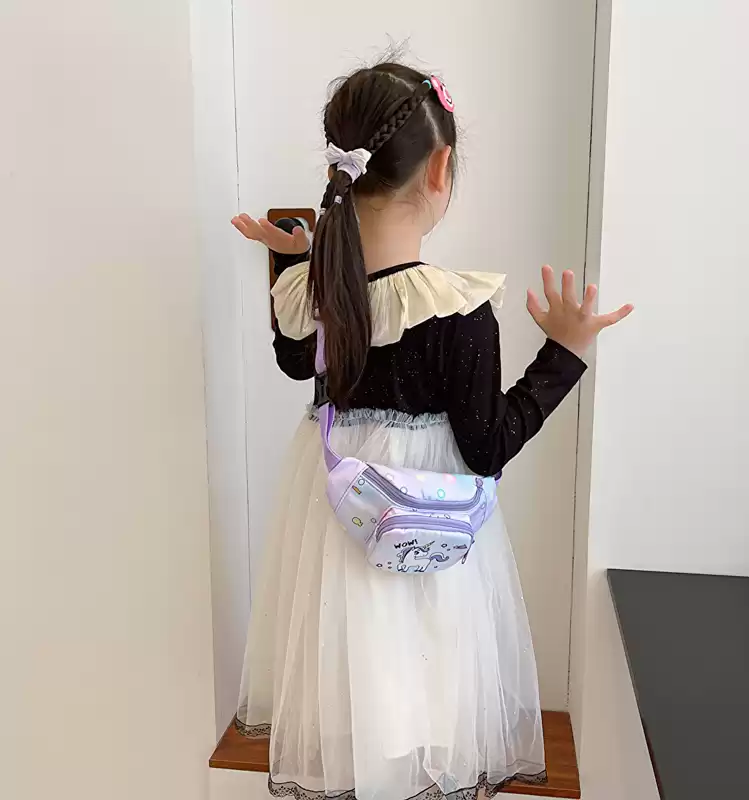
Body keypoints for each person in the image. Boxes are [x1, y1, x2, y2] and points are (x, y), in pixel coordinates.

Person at [231, 61, 632, 800]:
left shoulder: (311, 289)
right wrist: (564, 355)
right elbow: (486, 446)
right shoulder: (454, 309)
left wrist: (291, 260)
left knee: (354, 692)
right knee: (422, 699)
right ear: (440, 168)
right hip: (423, 537)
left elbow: (294, 360)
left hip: (336, 526)